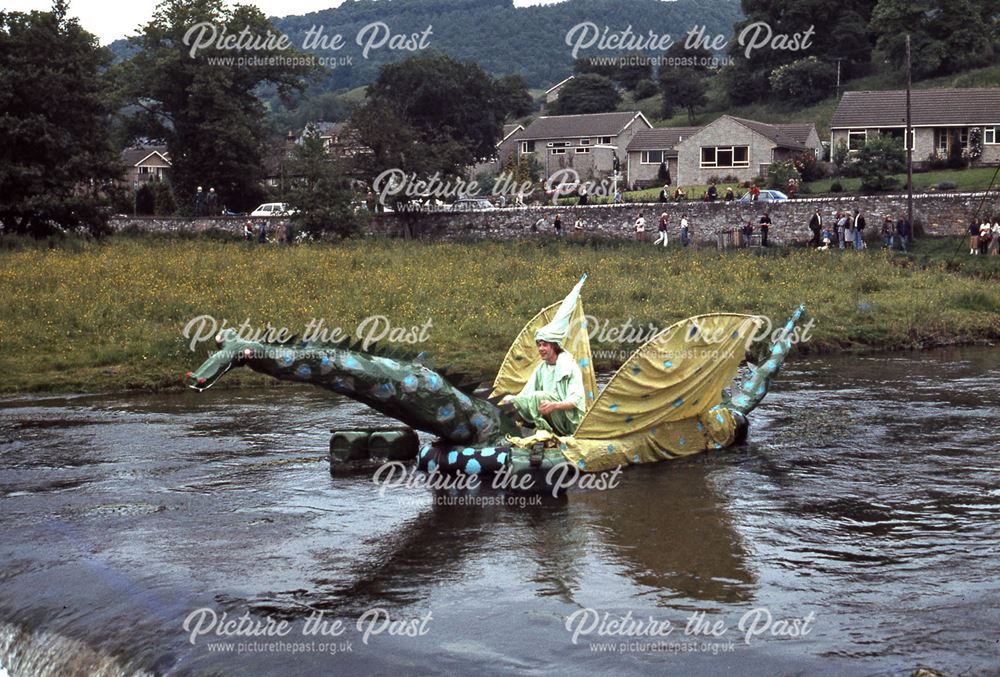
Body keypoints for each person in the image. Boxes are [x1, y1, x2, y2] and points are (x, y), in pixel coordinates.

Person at [503, 276, 587, 436]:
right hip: (549, 413)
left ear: (554, 346)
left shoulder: (569, 367)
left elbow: (577, 401)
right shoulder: (542, 368)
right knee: (513, 399)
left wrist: (554, 406)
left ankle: (542, 430)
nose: (541, 348)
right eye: (539, 344)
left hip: (569, 420)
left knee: (539, 396)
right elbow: (526, 393)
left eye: (545, 345)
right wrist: (511, 400)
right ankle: (510, 428)